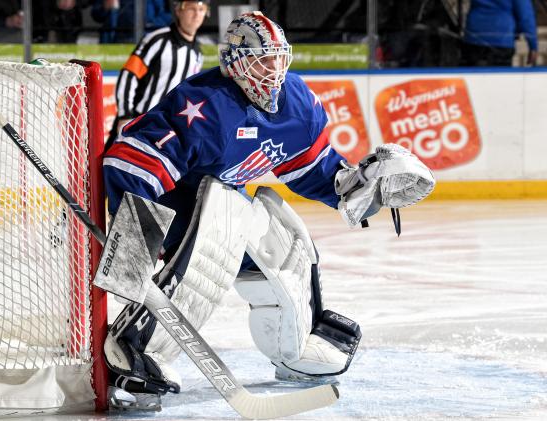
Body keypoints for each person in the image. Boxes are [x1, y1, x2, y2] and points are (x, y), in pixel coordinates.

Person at [102, 11, 435, 408]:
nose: (273, 70)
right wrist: (138, 241)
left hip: (228, 204)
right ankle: (136, 346)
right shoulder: (205, 106)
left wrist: (355, 186)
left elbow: (310, 167)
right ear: (235, 63)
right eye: (262, 59)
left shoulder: (296, 102)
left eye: (279, 57)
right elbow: (128, 162)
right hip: (179, 208)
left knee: (289, 250)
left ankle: (295, 351)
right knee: (211, 259)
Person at [105, 0, 208, 150]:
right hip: (138, 120)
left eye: (201, 9)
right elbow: (129, 75)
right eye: (191, 9)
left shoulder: (197, 53)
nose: (197, 14)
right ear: (178, 11)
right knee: (111, 168)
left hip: (166, 128)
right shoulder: (157, 40)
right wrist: (125, 115)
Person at [461, 0, 538, 67]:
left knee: (472, 79)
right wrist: (533, 45)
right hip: (501, 39)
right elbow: (525, 16)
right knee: (499, 80)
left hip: (474, 36)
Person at [91, 0, 173, 43]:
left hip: (148, 39)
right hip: (117, 40)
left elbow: (169, 15)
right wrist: (105, 8)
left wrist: (149, 24)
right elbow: (96, 14)